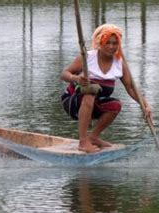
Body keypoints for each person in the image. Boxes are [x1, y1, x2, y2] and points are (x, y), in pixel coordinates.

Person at [60, 24, 152, 153]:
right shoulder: (87, 57)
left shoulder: (119, 63)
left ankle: (93, 137)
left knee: (115, 105)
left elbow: (131, 88)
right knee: (90, 93)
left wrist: (145, 105)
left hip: (95, 104)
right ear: (100, 43)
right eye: (107, 42)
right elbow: (64, 74)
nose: (111, 46)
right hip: (73, 102)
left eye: (114, 43)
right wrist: (76, 79)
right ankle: (83, 141)